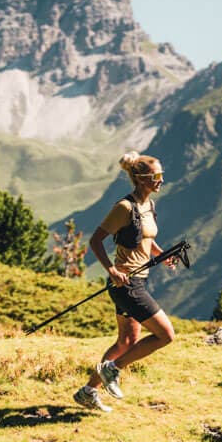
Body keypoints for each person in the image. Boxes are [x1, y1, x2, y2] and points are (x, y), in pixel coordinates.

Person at [74, 150, 176, 414]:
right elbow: (96, 240)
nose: (162, 180)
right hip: (126, 284)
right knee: (165, 335)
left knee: (127, 342)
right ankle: (112, 369)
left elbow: (146, 239)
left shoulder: (148, 206)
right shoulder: (124, 207)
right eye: (157, 176)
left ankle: (88, 392)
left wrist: (161, 255)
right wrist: (111, 270)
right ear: (142, 179)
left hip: (138, 280)